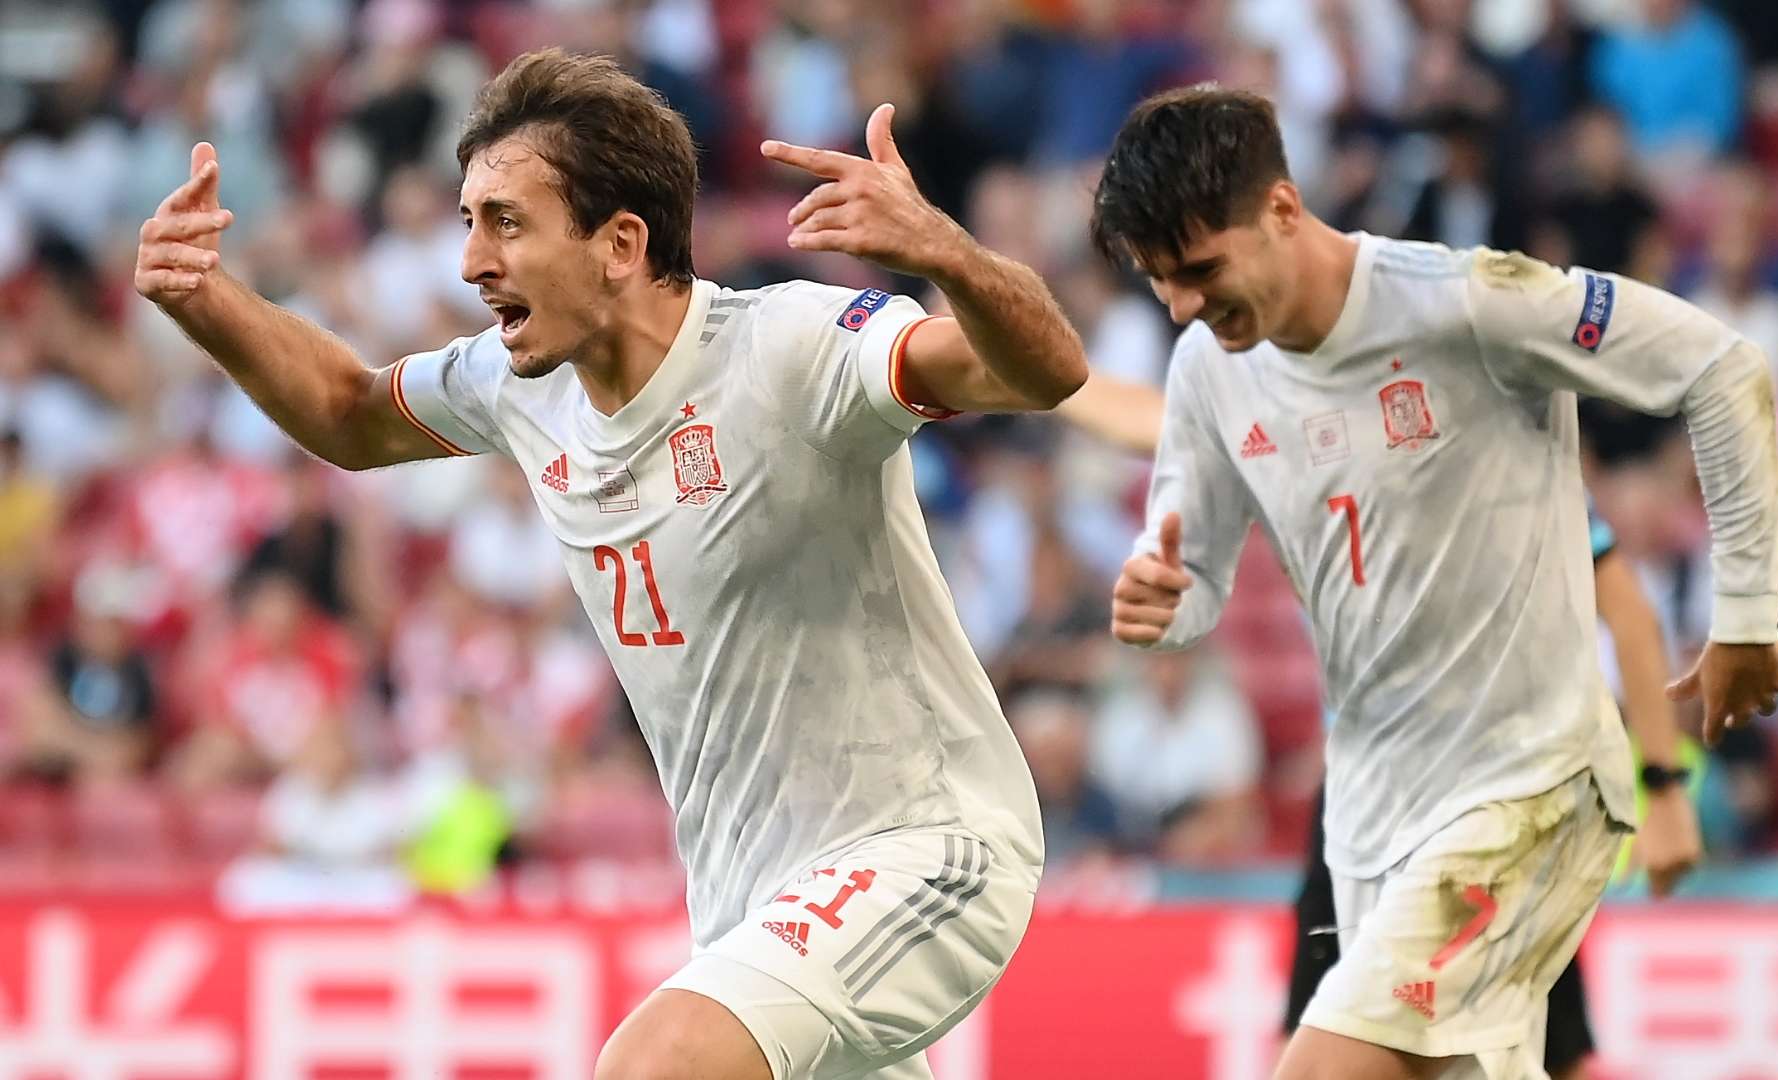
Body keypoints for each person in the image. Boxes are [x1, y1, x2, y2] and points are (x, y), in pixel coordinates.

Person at [133, 47, 1087, 1080]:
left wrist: (947, 253)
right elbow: (350, 411)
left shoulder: (791, 349)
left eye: (507, 222)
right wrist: (205, 297)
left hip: (927, 846)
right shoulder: (520, 383)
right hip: (751, 904)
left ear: (621, 244)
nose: (471, 262)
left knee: (652, 1064)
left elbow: (1044, 370)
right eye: (469, 221)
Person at [1087, 86, 1778, 1080]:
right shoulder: (1209, 368)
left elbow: (1719, 368)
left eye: (1200, 271)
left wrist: (1746, 616)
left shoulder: (1467, 302)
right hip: (1368, 821)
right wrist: (1164, 601)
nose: (1182, 307)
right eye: (1160, 283)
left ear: (1283, 208)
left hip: (1528, 785)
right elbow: (1190, 570)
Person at [1056, 377, 1703, 1079]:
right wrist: (1025, 363)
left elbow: (1631, 619)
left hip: (1485, 800)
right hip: (1357, 799)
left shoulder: (1511, 456)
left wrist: (1664, 789)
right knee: (1312, 1046)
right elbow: (1167, 423)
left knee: (1526, 1053)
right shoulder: (1313, 432)